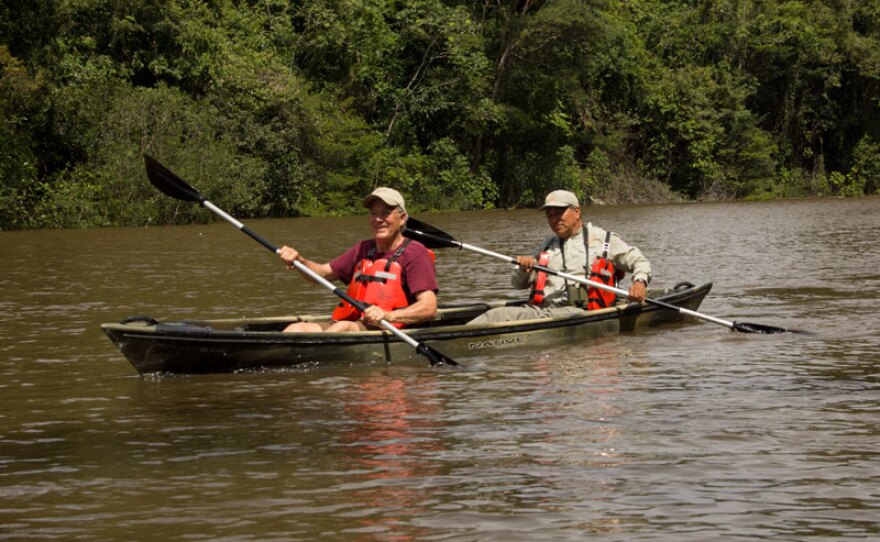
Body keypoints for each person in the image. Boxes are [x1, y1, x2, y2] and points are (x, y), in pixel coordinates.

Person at [469, 189, 651, 324]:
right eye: (550, 215)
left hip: (579, 314)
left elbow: (639, 261)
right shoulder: (547, 246)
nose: (554, 219)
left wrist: (639, 282)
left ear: (577, 212)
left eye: (559, 213)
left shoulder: (602, 239)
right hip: (544, 311)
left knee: (498, 316)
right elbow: (517, 285)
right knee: (496, 314)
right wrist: (524, 269)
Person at [277, 187, 438, 332]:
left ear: (402, 218)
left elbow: (429, 307)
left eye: (385, 213)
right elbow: (323, 274)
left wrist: (388, 316)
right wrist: (300, 262)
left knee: (343, 327)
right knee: (296, 328)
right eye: (373, 213)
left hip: (389, 327)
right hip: (355, 322)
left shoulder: (414, 252)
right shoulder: (364, 248)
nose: (378, 219)